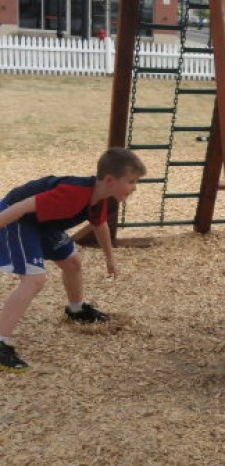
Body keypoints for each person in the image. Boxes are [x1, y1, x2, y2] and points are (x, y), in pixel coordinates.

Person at [0, 147, 146, 373]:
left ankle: (76, 310)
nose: (135, 188)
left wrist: (110, 257)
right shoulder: (72, 194)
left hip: (44, 224)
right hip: (18, 218)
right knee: (34, 279)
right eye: (131, 181)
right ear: (110, 180)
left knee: (73, 263)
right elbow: (22, 206)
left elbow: (99, 224)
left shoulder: (100, 198)